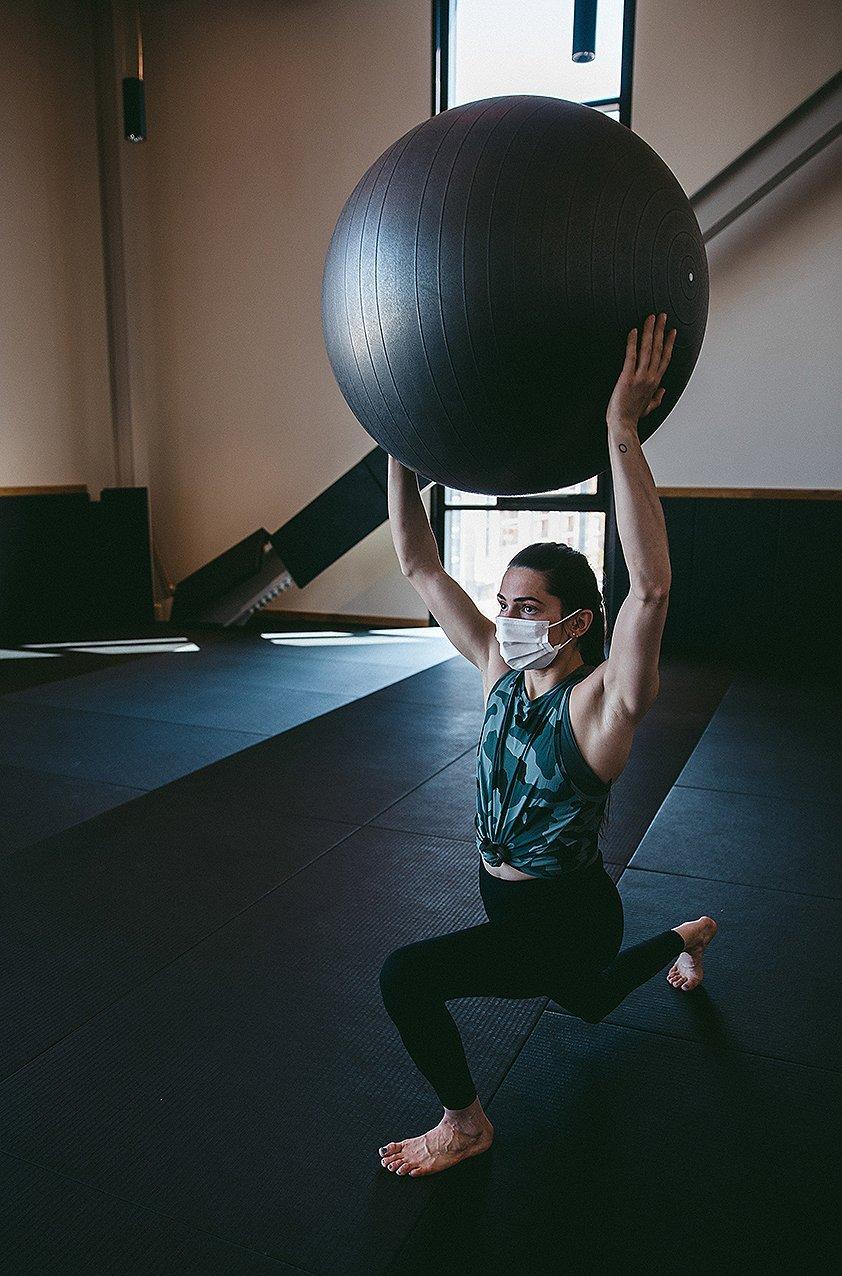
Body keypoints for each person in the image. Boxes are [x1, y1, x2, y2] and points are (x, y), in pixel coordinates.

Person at [378, 313, 718, 1179]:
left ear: (576, 622)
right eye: (504, 604)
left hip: (565, 921)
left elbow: (651, 588)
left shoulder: (603, 705)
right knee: (591, 1003)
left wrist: (621, 428)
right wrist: (398, 438)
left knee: (405, 977)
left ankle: (464, 1125)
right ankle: (688, 934)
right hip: (507, 904)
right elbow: (419, 564)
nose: (506, 621)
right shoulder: (499, 670)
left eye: (527, 608)